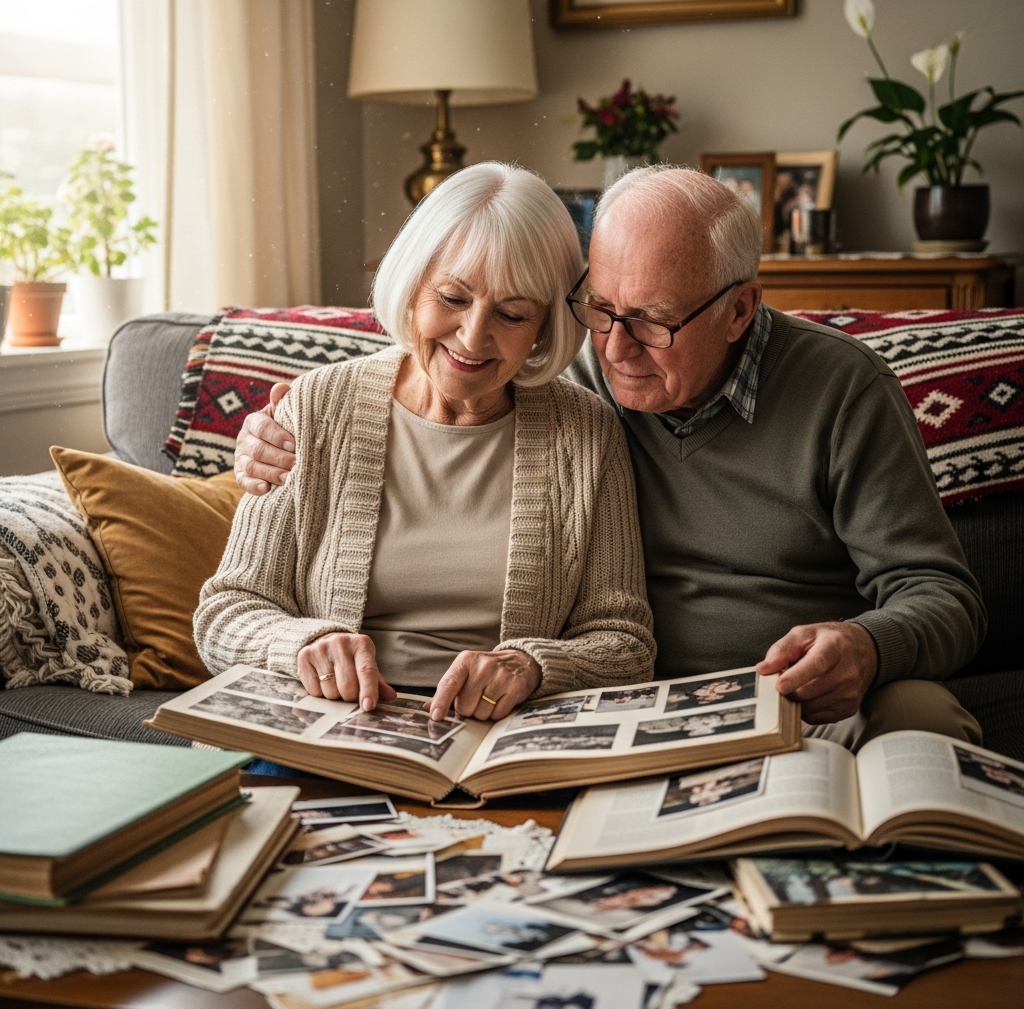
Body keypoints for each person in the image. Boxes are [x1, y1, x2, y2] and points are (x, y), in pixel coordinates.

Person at [234, 165, 985, 751]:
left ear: (739, 310)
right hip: (619, 705)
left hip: (793, 695)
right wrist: (267, 439)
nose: (616, 350)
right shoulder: (574, 374)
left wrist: (867, 645)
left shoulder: (843, 391)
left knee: (922, 726)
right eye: (600, 309)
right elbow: (446, 356)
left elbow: (944, 596)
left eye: (653, 322)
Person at [194, 162, 655, 723]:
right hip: (326, 722)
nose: (473, 335)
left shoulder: (585, 433)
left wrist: (531, 665)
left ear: (544, 327)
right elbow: (224, 611)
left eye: (511, 314)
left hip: (500, 734)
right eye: (454, 298)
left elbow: (625, 642)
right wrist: (304, 646)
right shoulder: (314, 407)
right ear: (413, 285)